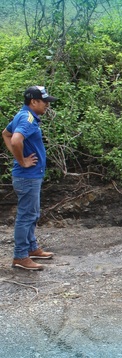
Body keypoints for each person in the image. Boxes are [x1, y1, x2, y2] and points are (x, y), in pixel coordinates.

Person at [2, 86, 57, 270]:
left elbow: (6, 133)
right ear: (33, 102)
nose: (47, 105)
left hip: (30, 176)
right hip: (27, 176)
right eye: (45, 101)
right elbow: (15, 139)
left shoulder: (23, 115)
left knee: (32, 213)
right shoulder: (27, 118)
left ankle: (32, 248)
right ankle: (20, 256)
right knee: (27, 216)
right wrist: (22, 160)